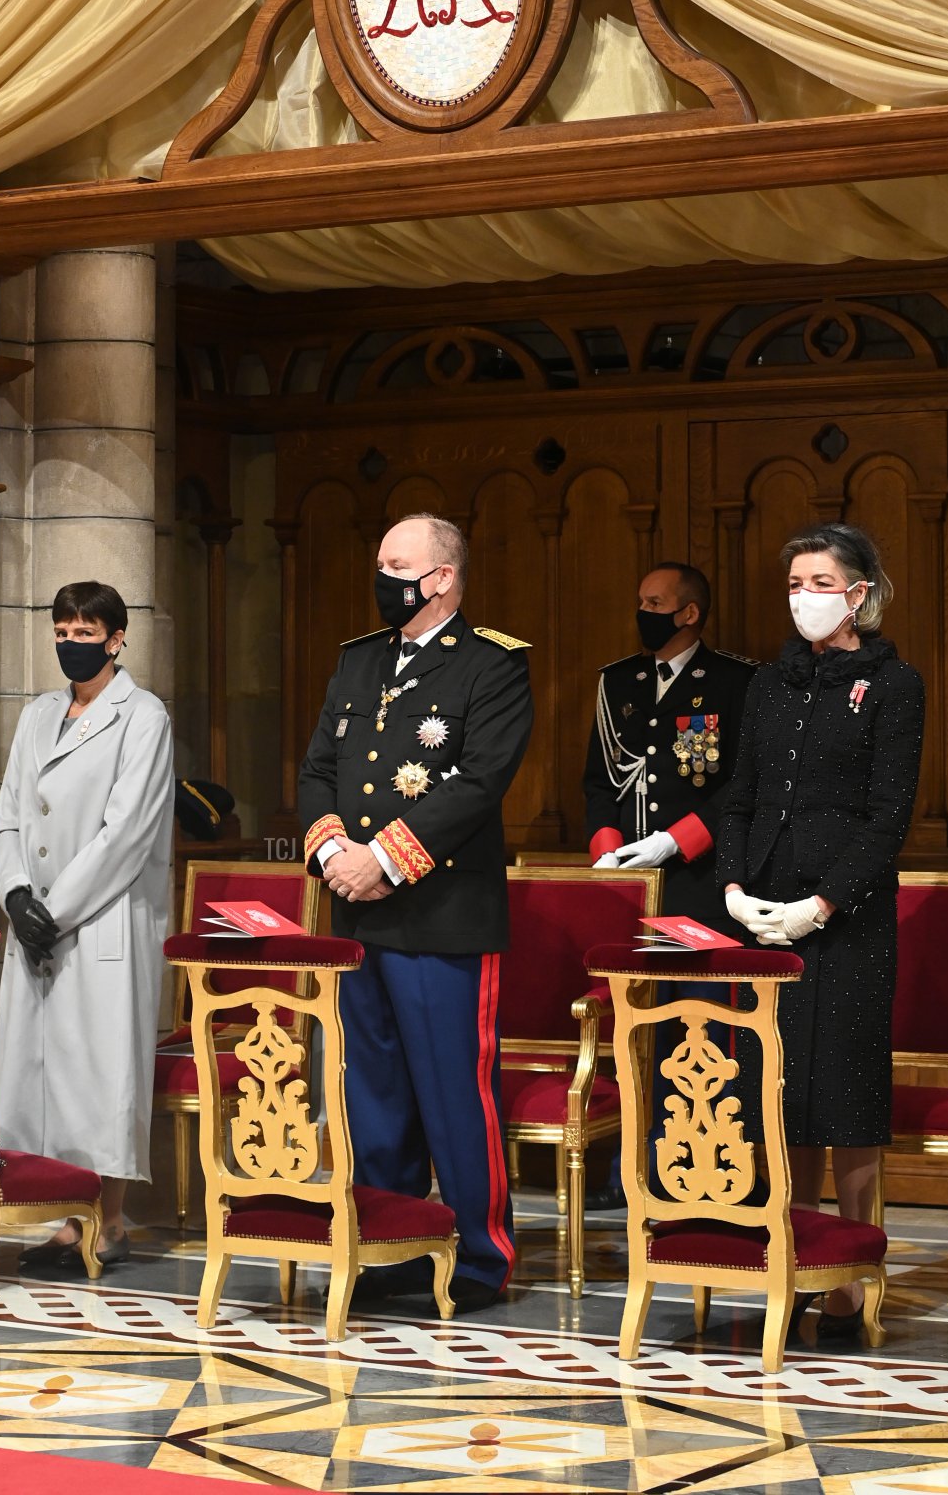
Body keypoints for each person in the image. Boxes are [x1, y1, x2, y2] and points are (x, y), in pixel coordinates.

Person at [299, 512, 532, 1315]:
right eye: (381, 563)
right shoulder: (359, 661)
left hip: (442, 914)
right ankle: (391, 1245)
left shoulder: (491, 665)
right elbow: (319, 768)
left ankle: (481, 1257)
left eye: (398, 565)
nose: (384, 578)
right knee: (375, 1095)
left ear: (442, 577)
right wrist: (335, 854)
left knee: (453, 1092)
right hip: (358, 915)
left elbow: (480, 782)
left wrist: (385, 861)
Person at [716, 523, 924, 1337]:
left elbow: (888, 818)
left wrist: (824, 904)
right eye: (795, 583)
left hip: (847, 919)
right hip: (767, 912)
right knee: (785, 1092)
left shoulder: (895, 684)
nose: (803, 597)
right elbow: (740, 797)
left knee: (845, 1093)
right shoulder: (770, 684)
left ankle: (852, 1275)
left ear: (859, 593)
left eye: (820, 583)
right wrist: (735, 889)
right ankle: (797, 1256)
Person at [0, 581, 174, 1271]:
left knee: (100, 1071)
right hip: (34, 919)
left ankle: (107, 1221)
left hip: (101, 917)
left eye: (85, 633)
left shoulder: (143, 717)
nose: (71, 644)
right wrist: (15, 895)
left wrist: (54, 911)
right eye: (62, 632)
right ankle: (64, 1214)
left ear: (116, 639)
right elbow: (8, 815)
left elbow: (126, 834)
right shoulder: (37, 714)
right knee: (39, 1070)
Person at [583, 561, 755, 1207]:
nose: (644, 611)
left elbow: (742, 787)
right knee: (634, 1031)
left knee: (700, 1034)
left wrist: (674, 841)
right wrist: (607, 851)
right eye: (641, 600)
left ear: (689, 613)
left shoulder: (736, 682)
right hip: (631, 890)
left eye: (655, 602)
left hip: (699, 888)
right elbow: (599, 781)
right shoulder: (619, 682)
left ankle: (701, 1170)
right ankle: (628, 1172)